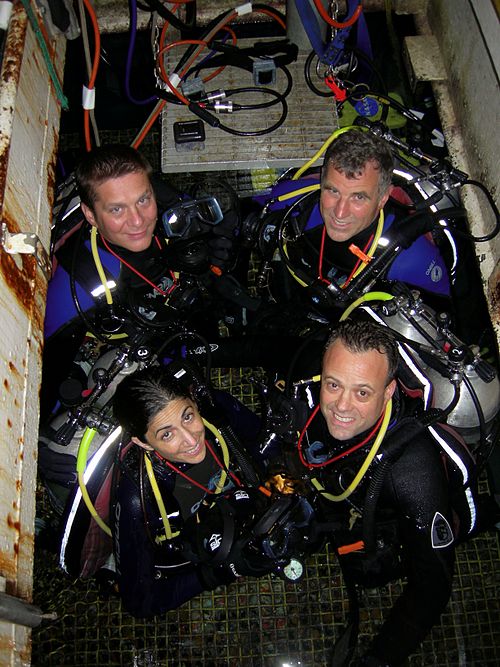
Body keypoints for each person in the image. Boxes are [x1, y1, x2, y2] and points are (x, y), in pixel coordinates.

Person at [278, 319, 478, 666]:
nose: (341, 406)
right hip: (345, 482)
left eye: (362, 392)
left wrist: (378, 659)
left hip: (389, 510)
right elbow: (267, 348)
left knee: (369, 573)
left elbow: (432, 588)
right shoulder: (319, 365)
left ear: (388, 392)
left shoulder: (412, 471)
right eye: (333, 385)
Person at [59, 361, 284, 618]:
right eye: (167, 435)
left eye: (187, 416)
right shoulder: (137, 497)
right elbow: (140, 603)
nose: (191, 440)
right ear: (142, 443)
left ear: (193, 401)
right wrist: (217, 573)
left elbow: (267, 445)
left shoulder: (215, 412)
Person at [41, 144, 249, 420]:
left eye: (143, 200)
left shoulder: (171, 211)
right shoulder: (74, 291)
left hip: (183, 317)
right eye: (117, 210)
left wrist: (222, 256)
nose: (138, 220)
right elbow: (47, 384)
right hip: (141, 349)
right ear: (90, 215)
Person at [250, 129, 453, 336]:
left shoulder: (413, 259)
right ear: (321, 182)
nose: (339, 212)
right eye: (333, 191)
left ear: (382, 199)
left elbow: (441, 323)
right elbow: (251, 214)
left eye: (358, 197)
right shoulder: (294, 199)